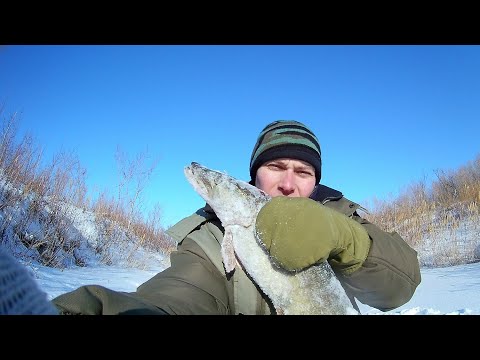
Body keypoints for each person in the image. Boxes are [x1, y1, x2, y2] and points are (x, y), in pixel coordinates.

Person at [51, 120, 421, 315]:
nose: (289, 183)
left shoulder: (344, 218)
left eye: (303, 172)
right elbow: (181, 293)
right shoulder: (211, 237)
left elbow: (400, 287)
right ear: (254, 175)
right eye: (276, 166)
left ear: (316, 180)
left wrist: (348, 240)